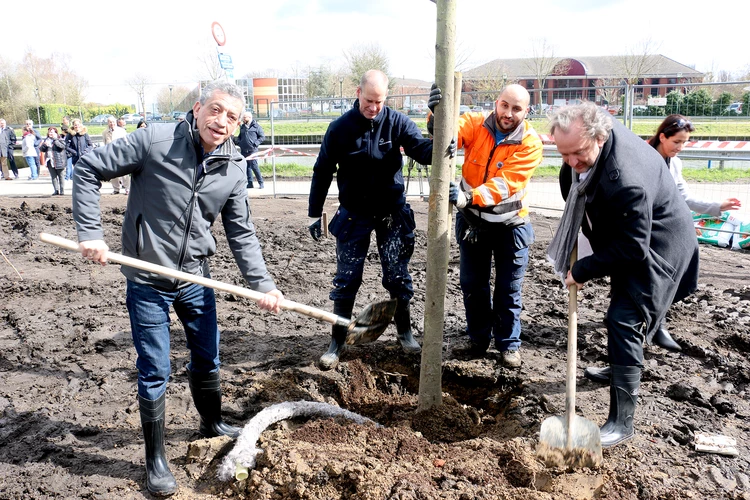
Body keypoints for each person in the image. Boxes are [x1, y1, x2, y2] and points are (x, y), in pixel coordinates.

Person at [73, 80, 285, 496]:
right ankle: (155, 460)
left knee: (208, 358)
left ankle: (211, 421)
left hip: (195, 277)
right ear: (198, 107)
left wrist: (264, 284)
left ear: (239, 125)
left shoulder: (234, 167)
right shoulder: (155, 141)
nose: (221, 121)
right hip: (148, 279)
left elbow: (241, 233)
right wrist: (91, 232)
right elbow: (87, 168)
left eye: (232, 117)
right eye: (216, 110)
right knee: (156, 370)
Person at [547, 102, 699, 448]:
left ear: (600, 138)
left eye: (578, 154)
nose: (571, 163)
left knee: (623, 318)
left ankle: (621, 422)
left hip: (661, 243)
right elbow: (584, 201)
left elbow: (633, 248)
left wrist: (583, 268)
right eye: (563, 154)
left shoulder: (625, 179)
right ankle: (620, 368)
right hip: (630, 233)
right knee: (621, 310)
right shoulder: (588, 136)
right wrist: (583, 252)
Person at [583, 114, 744, 384]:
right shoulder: (638, 159)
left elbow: (684, 197)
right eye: (677, 141)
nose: (680, 147)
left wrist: (717, 207)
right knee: (623, 310)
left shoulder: (674, 164)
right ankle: (641, 339)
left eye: (684, 143)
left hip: (657, 244)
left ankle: (649, 332)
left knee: (627, 312)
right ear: (662, 136)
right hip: (633, 241)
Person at [307, 69, 445, 370]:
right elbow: (322, 170)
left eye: (379, 102)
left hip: (391, 213)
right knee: (346, 280)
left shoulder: (396, 122)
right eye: (369, 100)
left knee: (397, 276)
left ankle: (405, 332)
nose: (373, 108)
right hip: (353, 213)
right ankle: (337, 340)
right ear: (358, 93)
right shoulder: (340, 129)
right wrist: (314, 212)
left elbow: (424, 151)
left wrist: (438, 123)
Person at [427, 84, 543, 368]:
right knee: (472, 284)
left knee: (507, 289)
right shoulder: (477, 123)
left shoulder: (530, 143)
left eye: (516, 109)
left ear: (526, 112)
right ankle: (478, 339)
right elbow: (451, 130)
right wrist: (436, 115)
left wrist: (469, 197)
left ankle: (508, 344)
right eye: (504, 105)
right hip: (472, 224)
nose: (508, 113)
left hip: (509, 226)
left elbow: (506, 184)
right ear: (496, 102)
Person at [235, 111, 265, 188]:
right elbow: (240, 137)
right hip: (244, 150)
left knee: (254, 166)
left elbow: (262, 137)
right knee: (247, 167)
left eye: (244, 117)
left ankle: (261, 182)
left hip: (253, 150)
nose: (243, 119)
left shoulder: (256, 126)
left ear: (249, 117)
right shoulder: (243, 127)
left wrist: (255, 144)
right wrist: (239, 142)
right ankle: (250, 183)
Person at [102, 116, 129, 194]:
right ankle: (116, 189)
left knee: (125, 172)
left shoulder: (122, 131)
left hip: (121, 153)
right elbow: (104, 143)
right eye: (110, 122)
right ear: (108, 123)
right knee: (113, 173)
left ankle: (127, 188)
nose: (112, 124)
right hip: (111, 155)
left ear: (115, 122)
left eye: (113, 122)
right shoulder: (105, 132)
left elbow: (126, 142)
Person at [39, 127, 67, 195]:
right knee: (53, 177)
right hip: (50, 161)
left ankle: (62, 191)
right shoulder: (46, 140)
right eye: (50, 132)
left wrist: (55, 140)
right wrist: (44, 145)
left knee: (61, 176)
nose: (51, 133)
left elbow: (62, 147)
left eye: (52, 132)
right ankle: (56, 190)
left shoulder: (60, 139)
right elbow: (41, 149)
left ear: (56, 133)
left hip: (59, 160)